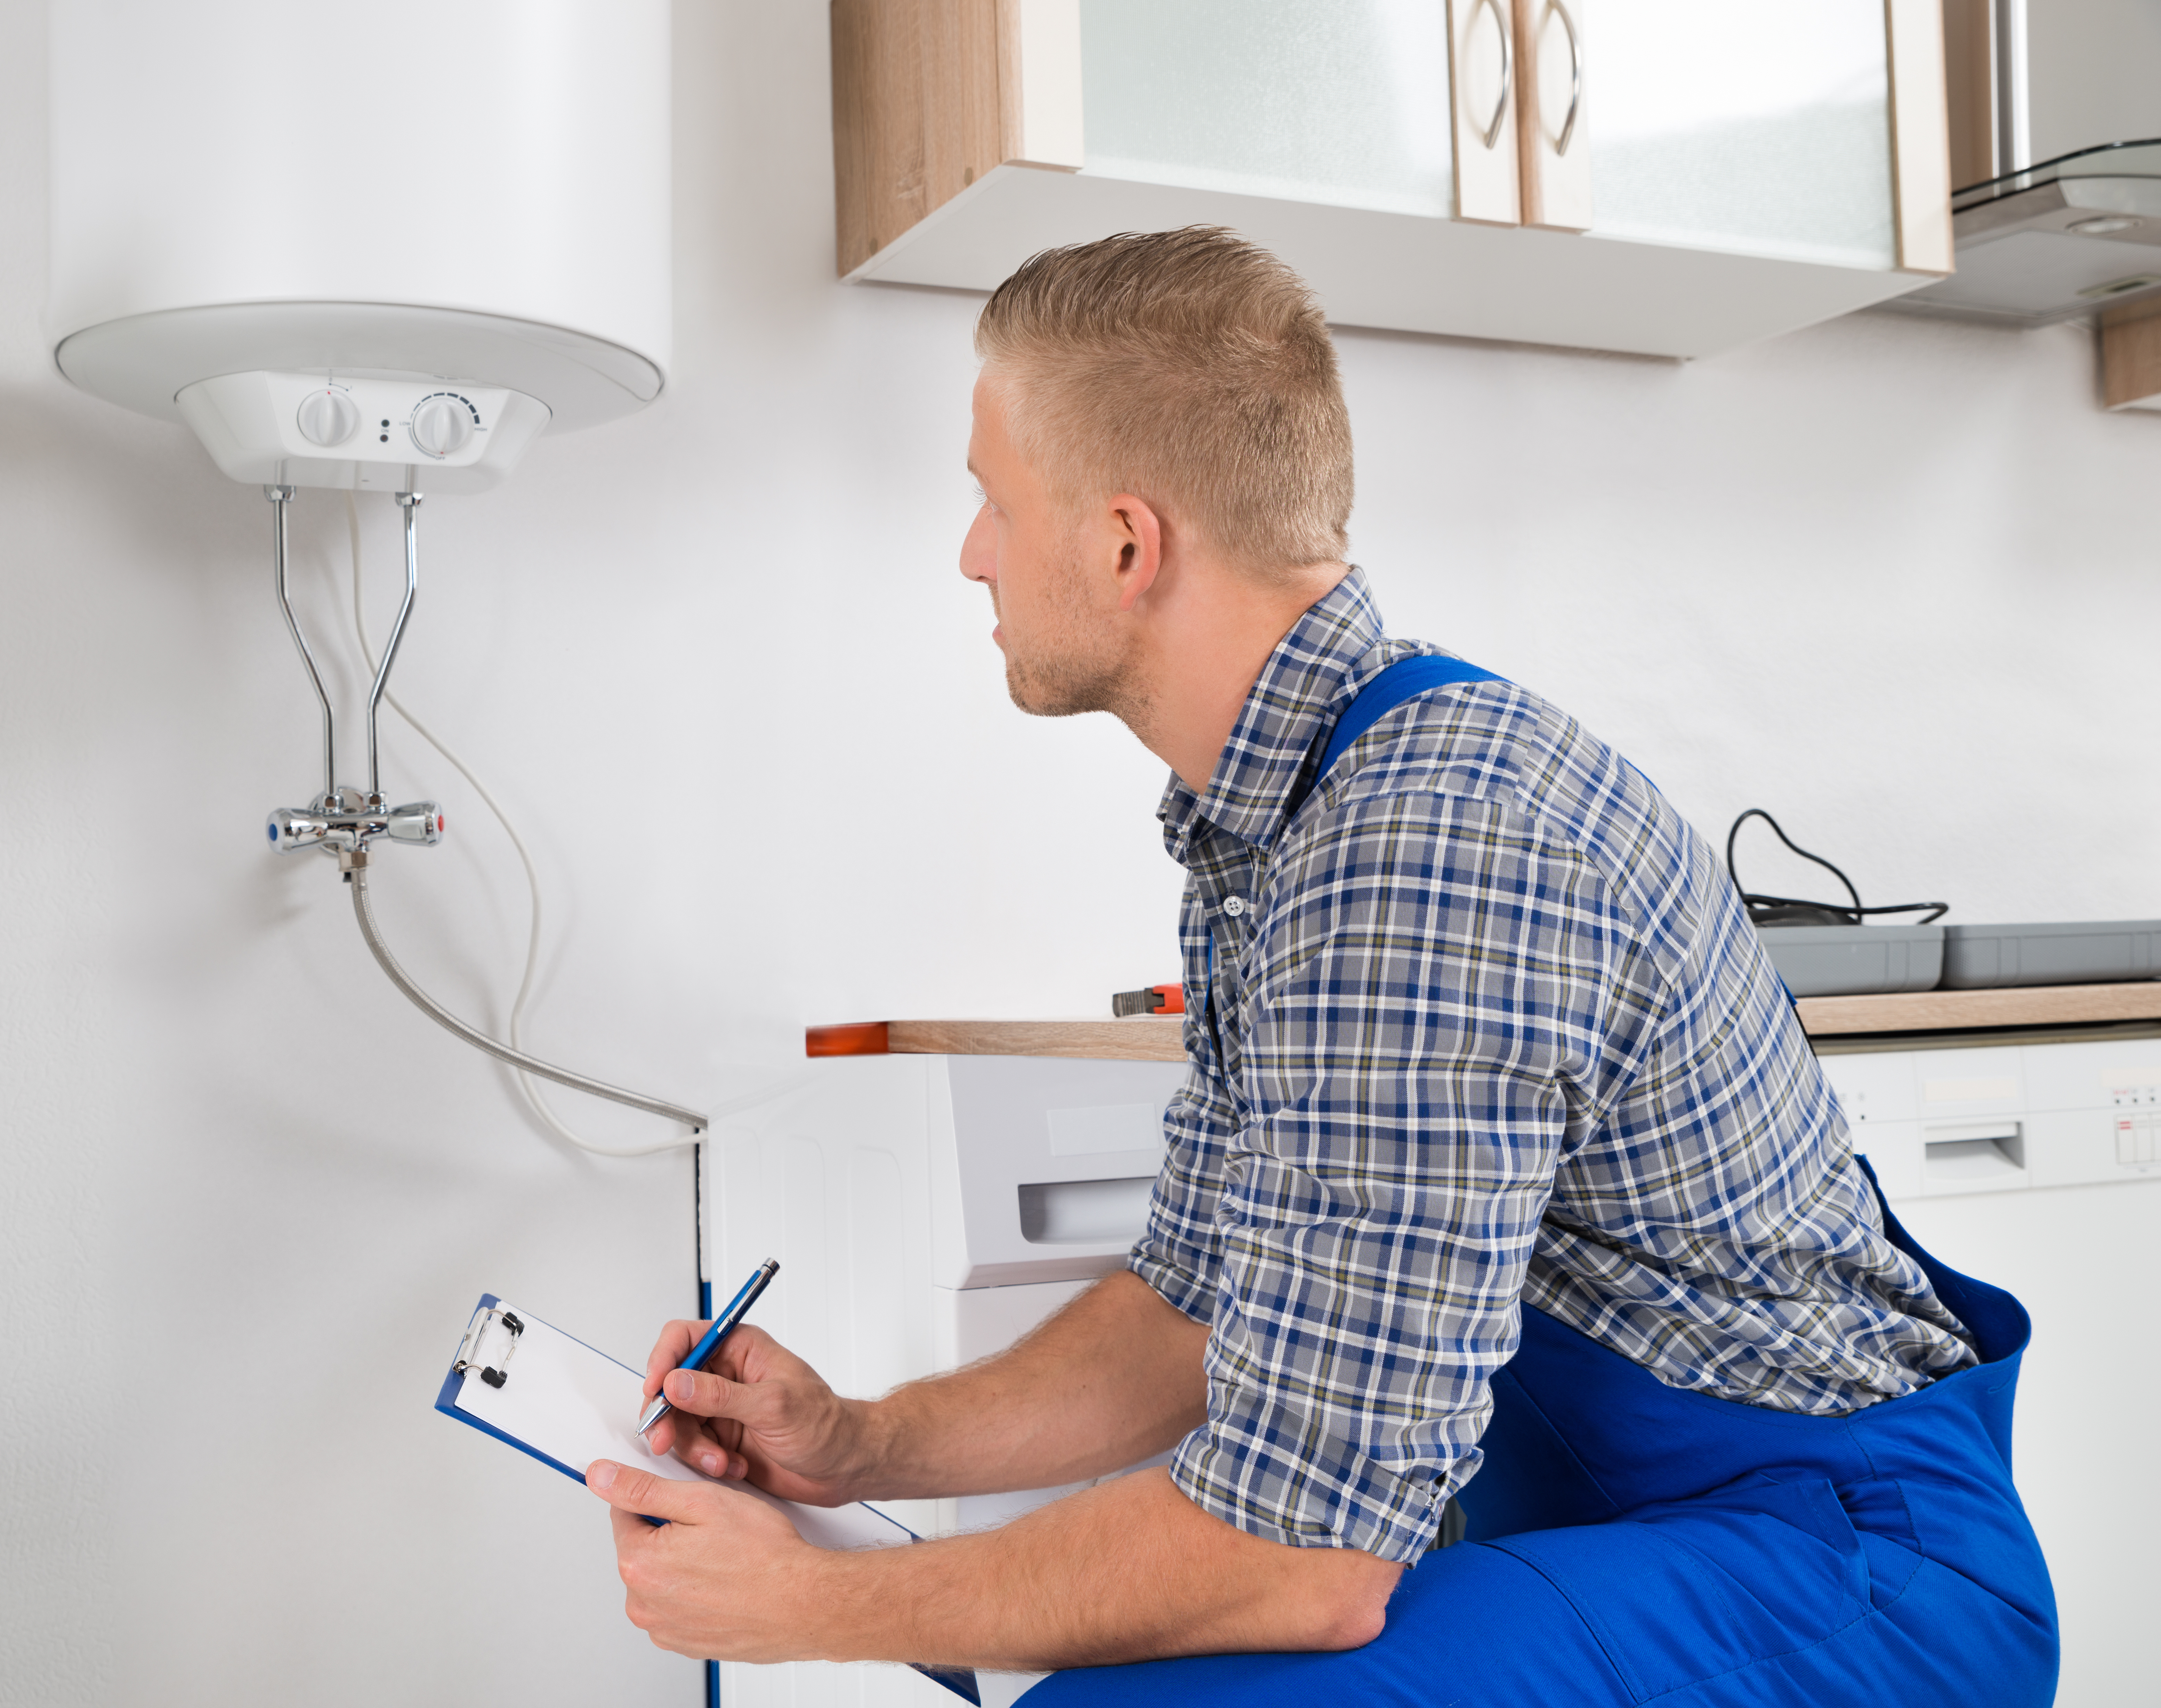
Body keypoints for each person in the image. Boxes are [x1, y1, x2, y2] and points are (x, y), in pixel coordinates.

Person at [582, 227, 2058, 1705]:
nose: (971, 549)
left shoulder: (1420, 845)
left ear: (1121, 542)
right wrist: (856, 1443)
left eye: (990, 497)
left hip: (1856, 1575)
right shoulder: (1286, 825)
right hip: (1679, 1536)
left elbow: (1300, 1559)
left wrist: (806, 1602)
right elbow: (1194, 1313)